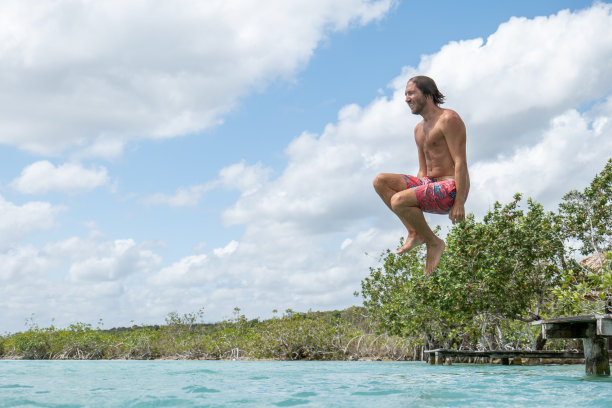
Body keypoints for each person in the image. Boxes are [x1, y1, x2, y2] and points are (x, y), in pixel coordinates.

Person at [373, 75, 469, 275]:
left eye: (411, 93)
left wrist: (460, 201)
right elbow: (422, 171)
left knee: (398, 201)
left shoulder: (449, 119)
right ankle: (415, 232)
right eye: (405, 94)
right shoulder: (418, 130)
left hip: (450, 189)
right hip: (430, 184)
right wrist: (416, 194)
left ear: (427, 94)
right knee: (380, 181)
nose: (406, 99)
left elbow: (460, 161)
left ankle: (433, 243)